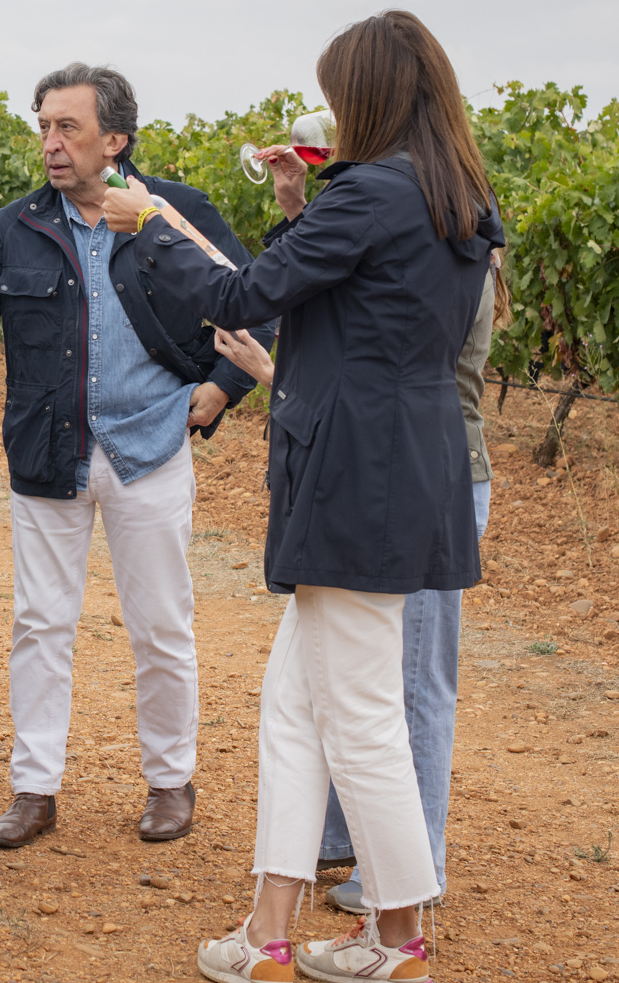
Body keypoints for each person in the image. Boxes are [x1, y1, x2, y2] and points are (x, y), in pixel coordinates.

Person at [102, 11, 503, 983]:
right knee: (291, 705)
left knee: (357, 712)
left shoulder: (368, 192)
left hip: (355, 479)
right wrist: (291, 205)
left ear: (367, 96)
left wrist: (151, 225)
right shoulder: (448, 199)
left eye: (336, 88)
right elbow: (325, 287)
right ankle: (268, 930)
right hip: (406, 468)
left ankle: (399, 936)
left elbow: (242, 299)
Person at [0, 63, 274, 849]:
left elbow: (253, 298)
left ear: (115, 139)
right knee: (40, 624)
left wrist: (223, 387)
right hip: (47, 452)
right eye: (44, 127)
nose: (51, 144)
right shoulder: (20, 225)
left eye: (69, 128)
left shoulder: (176, 213)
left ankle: (169, 781)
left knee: (161, 625)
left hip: (150, 449)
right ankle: (34, 788)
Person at [215, 254, 508, 916]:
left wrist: (274, 370)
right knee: (331, 685)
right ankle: (340, 847)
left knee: (409, 686)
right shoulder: (429, 232)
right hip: (393, 469)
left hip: (426, 478)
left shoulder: (449, 255)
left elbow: (381, 362)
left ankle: (410, 874)